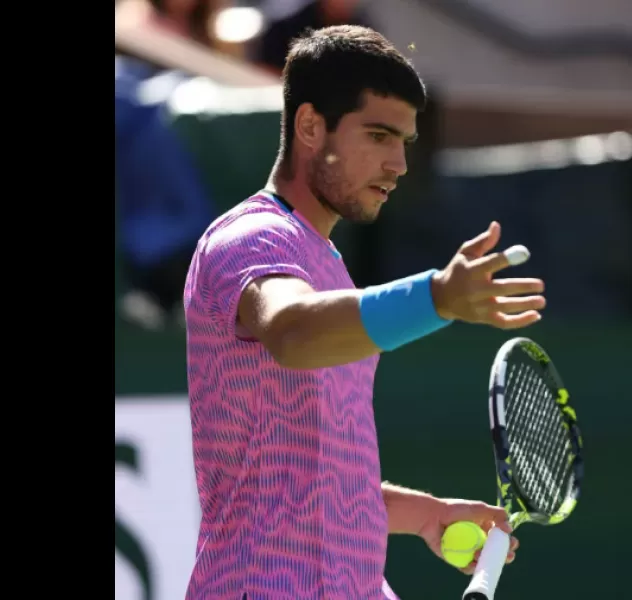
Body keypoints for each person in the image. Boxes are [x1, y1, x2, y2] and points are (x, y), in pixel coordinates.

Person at [182, 25, 541, 599]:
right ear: (308, 127)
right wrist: (437, 298)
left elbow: (307, 482)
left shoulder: (328, 267)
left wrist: (423, 513)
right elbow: (293, 333)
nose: (398, 164)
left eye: (405, 141)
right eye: (378, 135)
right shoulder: (250, 239)